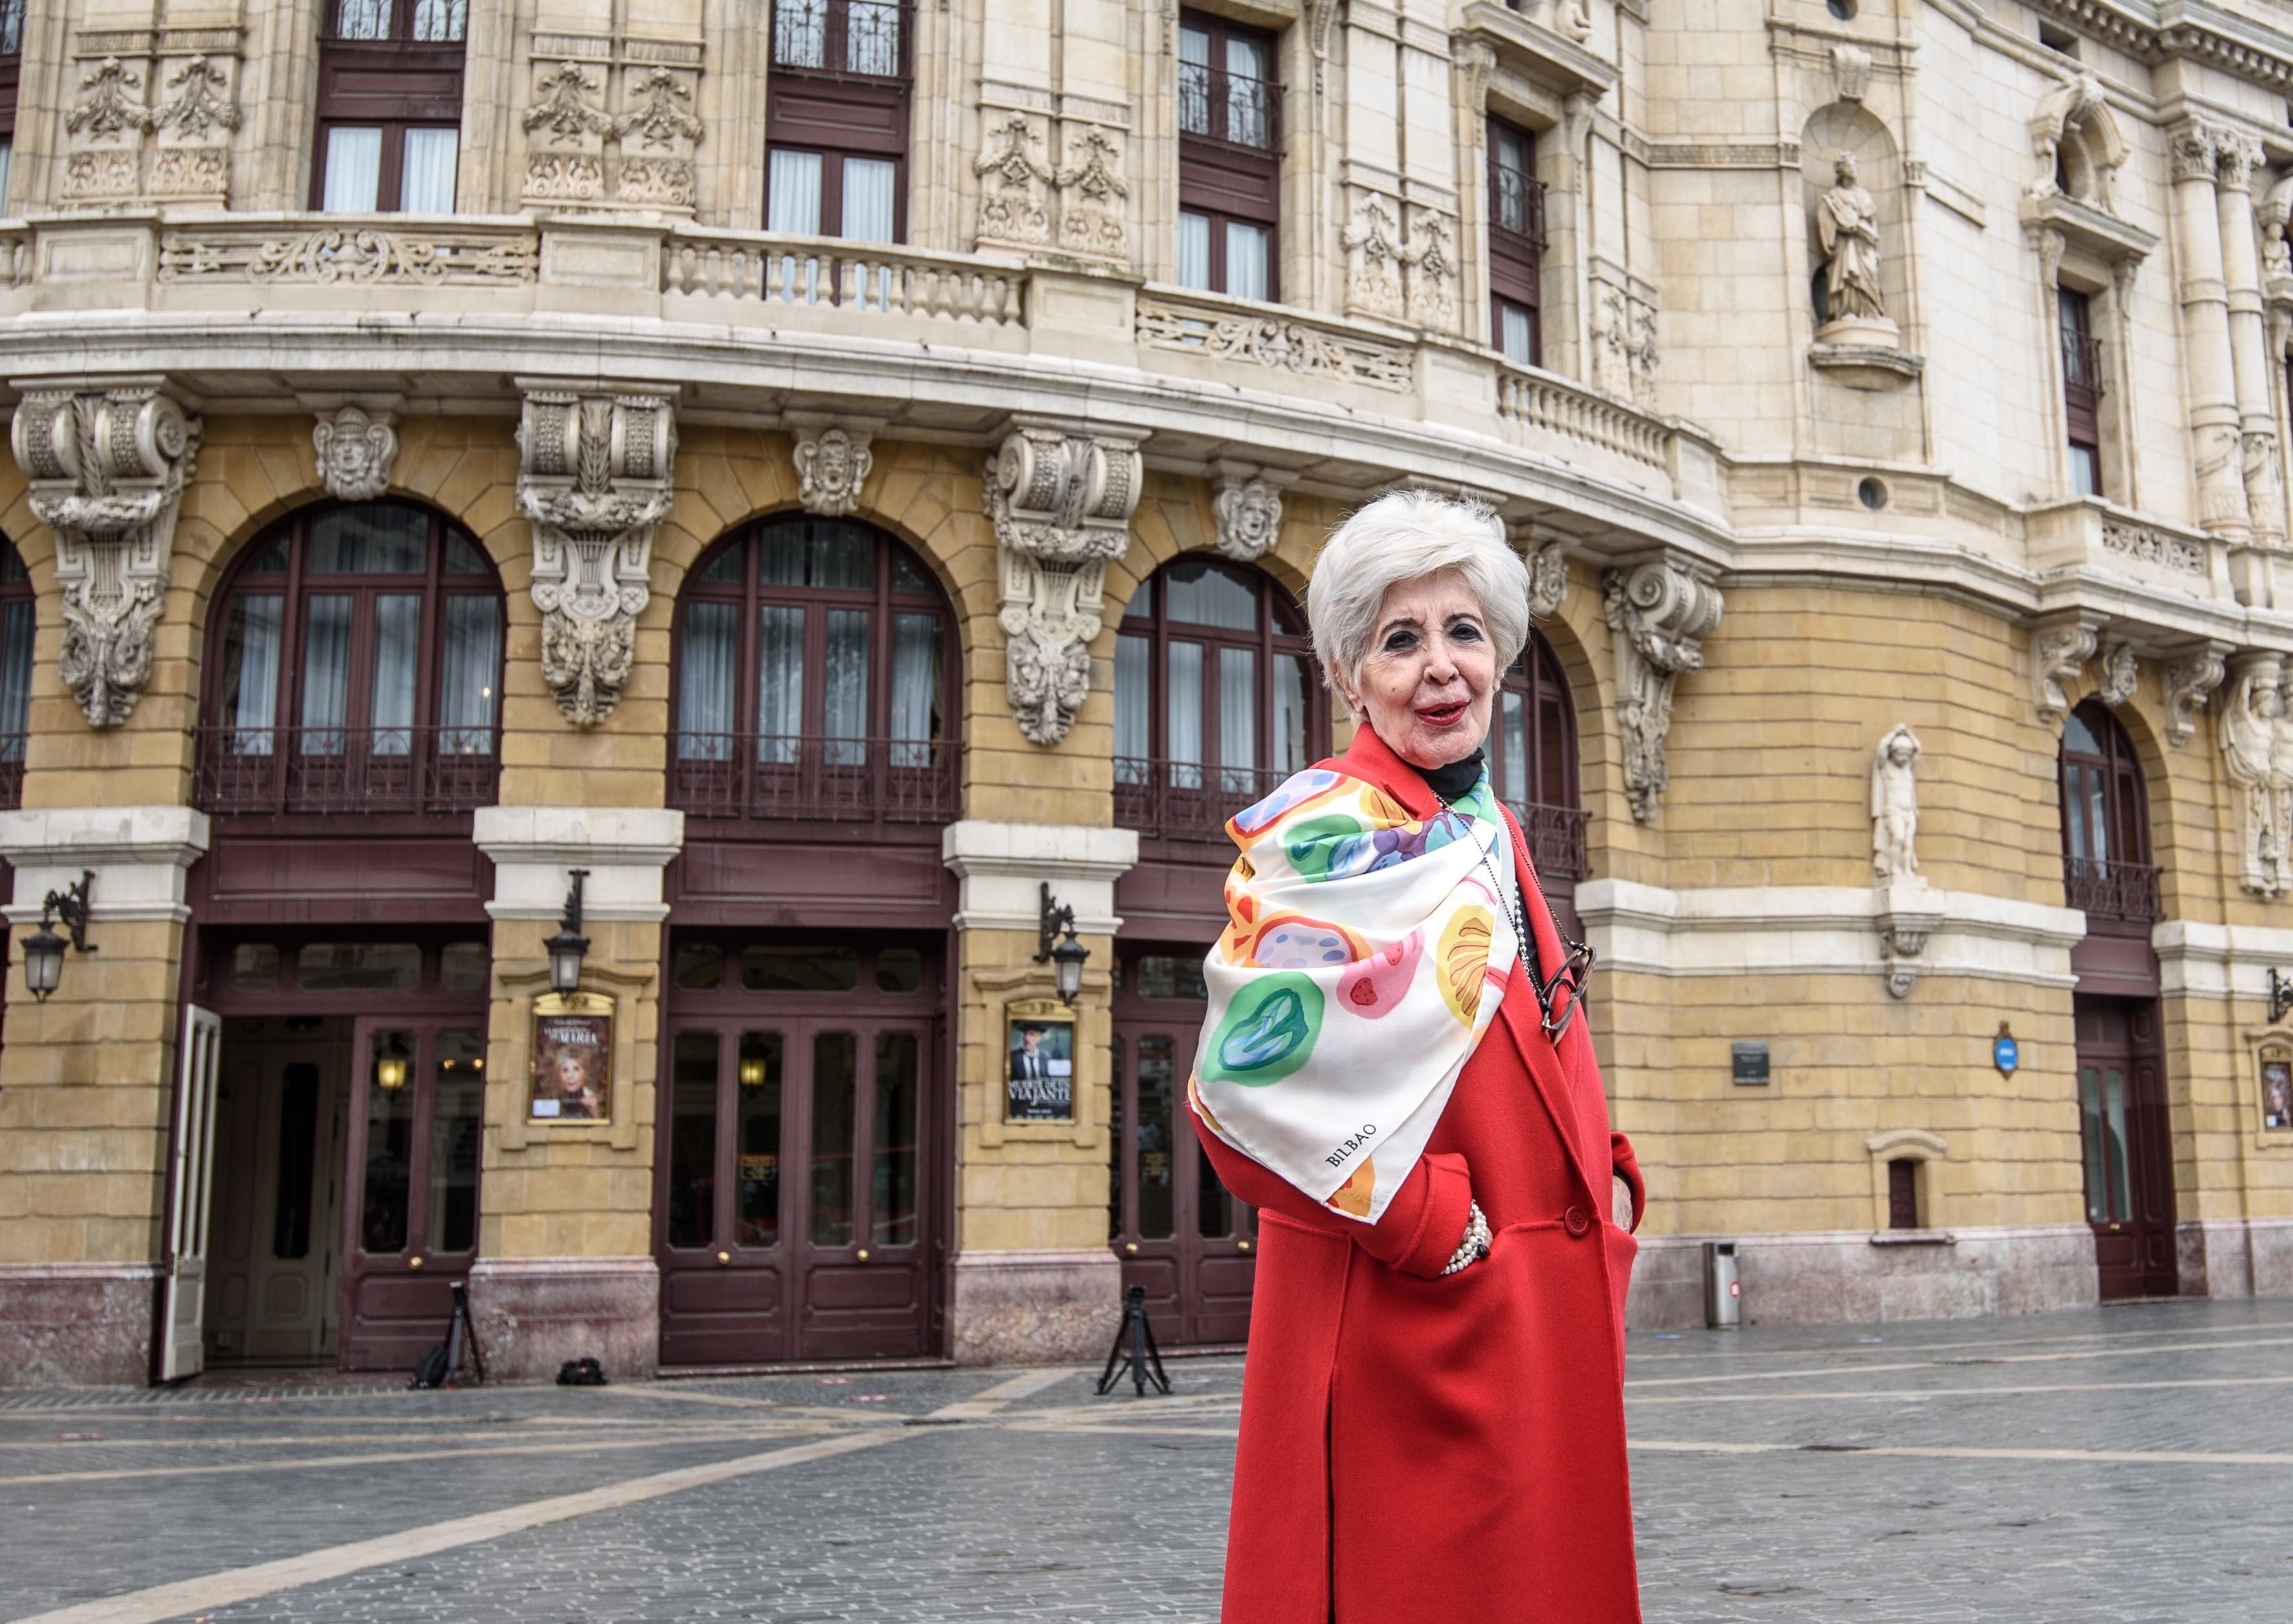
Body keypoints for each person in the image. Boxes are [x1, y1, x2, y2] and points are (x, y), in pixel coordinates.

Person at [1191, 490, 1646, 1624]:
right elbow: (1243, 1090)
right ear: (1351, 675)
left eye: (1463, 631)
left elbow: (1508, 1022)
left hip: (1529, 1305)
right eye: (1401, 640)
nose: (1440, 666)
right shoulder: (1325, 832)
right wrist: (1426, 1226)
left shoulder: (1478, 817)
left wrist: (1601, 1158)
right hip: (1414, 1326)